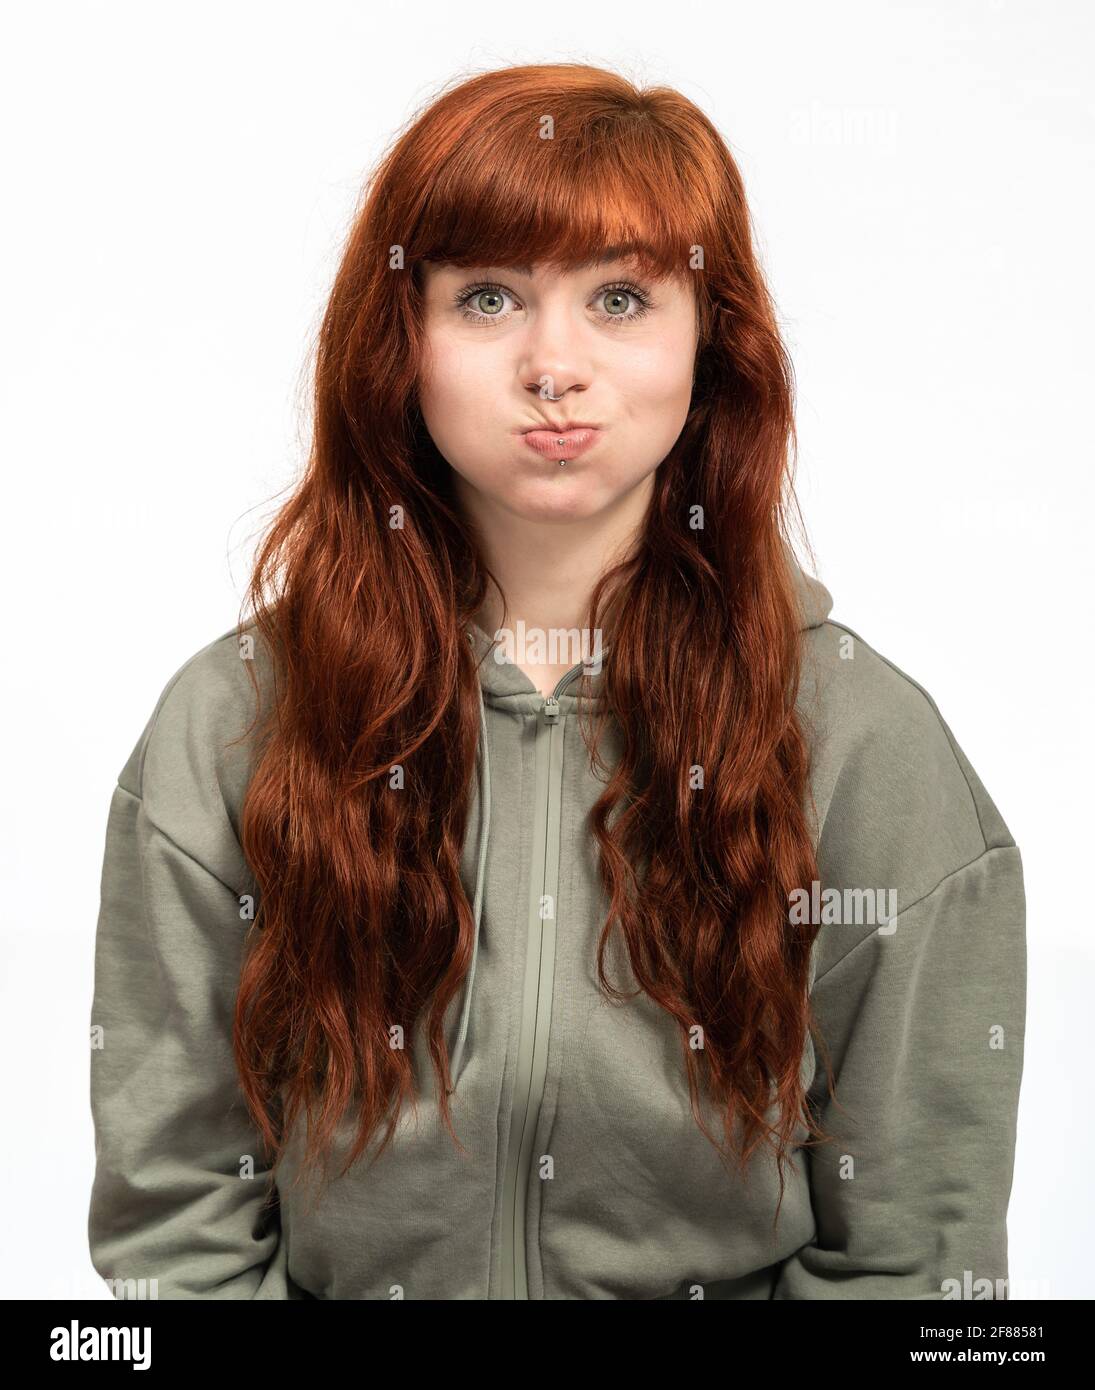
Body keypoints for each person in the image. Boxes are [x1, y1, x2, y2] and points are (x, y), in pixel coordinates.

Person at [87, 62, 1026, 1301]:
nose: (553, 364)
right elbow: (177, 1215)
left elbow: (916, 1249)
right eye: (486, 297)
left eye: (623, 297)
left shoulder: (862, 738)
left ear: (714, 337)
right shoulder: (234, 720)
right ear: (400, 338)